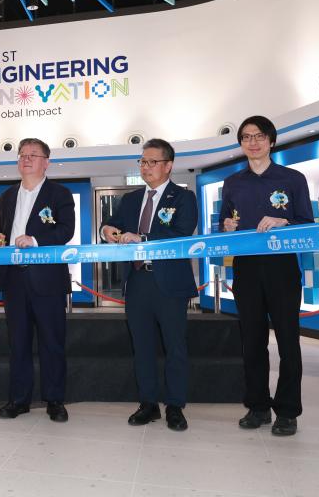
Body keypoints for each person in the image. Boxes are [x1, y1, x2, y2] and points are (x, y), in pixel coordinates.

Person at [219, 115, 313, 437]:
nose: (253, 142)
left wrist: (284, 222)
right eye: (246, 137)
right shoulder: (233, 183)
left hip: (282, 268)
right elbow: (224, 225)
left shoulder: (292, 178)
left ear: (271, 141)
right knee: (252, 342)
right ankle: (257, 406)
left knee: (288, 340)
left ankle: (287, 411)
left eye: (259, 136)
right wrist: (226, 228)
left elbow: (308, 224)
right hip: (246, 268)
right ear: (241, 144)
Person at [100, 139, 198, 431]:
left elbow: (182, 234)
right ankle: (148, 403)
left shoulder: (183, 198)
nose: (146, 167)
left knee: (174, 347)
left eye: (152, 162)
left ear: (168, 166)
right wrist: (108, 230)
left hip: (169, 283)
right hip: (138, 281)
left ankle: (176, 406)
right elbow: (112, 224)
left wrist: (142, 239)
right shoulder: (130, 199)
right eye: (142, 162)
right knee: (141, 346)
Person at [0, 138, 75, 423]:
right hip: (13, 279)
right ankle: (19, 400)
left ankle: (55, 400)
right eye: (22, 155)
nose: (26, 159)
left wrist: (36, 240)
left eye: (33, 155)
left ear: (46, 162)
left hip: (47, 280)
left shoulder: (60, 194)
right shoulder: (7, 195)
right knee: (18, 343)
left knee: (52, 342)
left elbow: (66, 230)